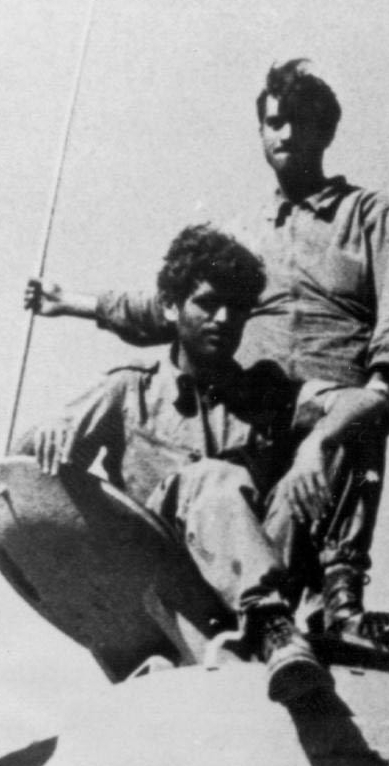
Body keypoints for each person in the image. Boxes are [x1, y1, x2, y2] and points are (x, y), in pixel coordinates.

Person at [27, 59, 389, 662]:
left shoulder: (368, 216)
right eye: (273, 123)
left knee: (357, 425)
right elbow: (170, 307)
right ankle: (262, 626)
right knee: (227, 494)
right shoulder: (244, 237)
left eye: (299, 123)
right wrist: (76, 304)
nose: (284, 135)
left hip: (323, 410)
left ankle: (339, 605)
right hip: (253, 414)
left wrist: (379, 382)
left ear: (325, 132)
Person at [20, 223, 329, 704]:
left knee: (302, 475)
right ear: (171, 307)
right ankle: (272, 626)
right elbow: (25, 476)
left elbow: (358, 408)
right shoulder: (130, 391)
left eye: (237, 308)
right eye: (207, 303)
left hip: (237, 590)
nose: (224, 319)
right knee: (214, 478)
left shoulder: (263, 398)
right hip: (162, 582)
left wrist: (311, 451)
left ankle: (290, 626)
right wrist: (47, 435)